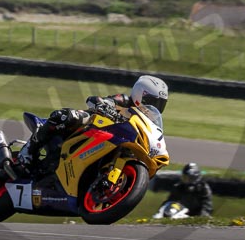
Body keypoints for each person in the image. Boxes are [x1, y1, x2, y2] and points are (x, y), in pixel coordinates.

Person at [16, 74, 168, 174]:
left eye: (160, 104)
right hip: (94, 125)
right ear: (140, 95)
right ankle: (28, 151)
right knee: (65, 116)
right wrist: (103, 104)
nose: (155, 107)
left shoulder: (148, 123)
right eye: (153, 102)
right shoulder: (124, 100)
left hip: (115, 140)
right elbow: (96, 100)